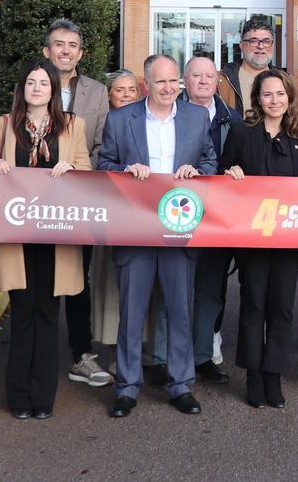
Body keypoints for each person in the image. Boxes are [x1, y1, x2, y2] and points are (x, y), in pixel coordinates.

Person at [100, 54, 217, 417]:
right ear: (146, 84)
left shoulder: (197, 117)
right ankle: (127, 387)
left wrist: (196, 171)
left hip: (179, 228)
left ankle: (180, 385)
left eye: (173, 81)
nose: (168, 88)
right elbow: (103, 165)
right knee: (131, 313)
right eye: (160, 81)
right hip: (135, 229)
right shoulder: (121, 119)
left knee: (180, 310)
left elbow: (211, 161)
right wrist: (124, 169)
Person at [0, 60, 92, 419]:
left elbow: (87, 170)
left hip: (56, 234)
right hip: (17, 234)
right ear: (22, 88)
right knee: (22, 313)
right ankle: (18, 396)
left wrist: (73, 168)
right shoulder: (5, 124)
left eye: (43, 83)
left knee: (48, 313)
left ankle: (43, 396)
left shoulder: (73, 125)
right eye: (31, 82)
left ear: (53, 90)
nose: (37, 88)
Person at [219, 68, 298, 408]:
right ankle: (253, 376)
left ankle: (274, 375)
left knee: (282, 308)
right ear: (257, 98)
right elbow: (222, 172)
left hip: (287, 241)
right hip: (252, 239)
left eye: (280, 94)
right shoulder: (242, 133)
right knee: (253, 305)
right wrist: (230, 173)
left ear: (290, 98)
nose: (274, 100)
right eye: (267, 94)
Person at [42, 18, 113, 389]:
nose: (65, 51)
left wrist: (80, 171)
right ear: (47, 51)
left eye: (72, 45)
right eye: (59, 44)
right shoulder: (33, 84)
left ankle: (81, 354)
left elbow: (103, 144)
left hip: (80, 199)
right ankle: (39, 352)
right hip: (39, 199)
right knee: (40, 275)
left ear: (81, 53)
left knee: (77, 277)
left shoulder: (97, 92)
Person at [181, 56, 236, 384]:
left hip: (218, 217)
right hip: (176, 213)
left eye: (209, 76)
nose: (203, 81)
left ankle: (203, 355)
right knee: (173, 288)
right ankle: (167, 356)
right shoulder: (169, 113)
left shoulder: (234, 119)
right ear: (184, 80)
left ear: (217, 81)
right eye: (196, 75)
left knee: (210, 289)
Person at [90, 70, 142, 373]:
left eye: (131, 89)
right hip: (110, 210)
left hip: (143, 216)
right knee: (111, 281)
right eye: (120, 90)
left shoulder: (147, 119)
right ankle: (113, 349)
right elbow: (101, 161)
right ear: (109, 95)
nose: (126, 95)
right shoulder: (106, 121)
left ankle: (141, 349)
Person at [218, 17, 298, 116]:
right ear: (241, 45)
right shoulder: (220, 81)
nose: (261, 46)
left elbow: (296, 120)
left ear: (272, 45)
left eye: (266, 41)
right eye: (253, 41)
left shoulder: (292, 83)